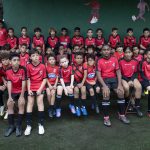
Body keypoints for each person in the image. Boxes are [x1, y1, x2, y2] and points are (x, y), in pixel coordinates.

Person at [97, 45, 130, 127]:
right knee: (106, 94)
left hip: (114, 79)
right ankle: (106, 117)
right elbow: (98, 75)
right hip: (104, 80)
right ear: (101, 51)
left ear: (110, 50)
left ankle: (122, 115)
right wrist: (104, 86)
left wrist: (119, 85)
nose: (106, 51)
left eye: (108, 49)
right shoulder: (99, 60)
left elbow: (118, 72)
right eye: (104, 50)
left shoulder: (114, 59)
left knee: (120, 93)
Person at [24, 49, 47, 136]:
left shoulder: (42, 66)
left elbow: (45, 79)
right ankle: (28, 125)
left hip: (40, 86)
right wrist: (29, 89)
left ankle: (41, 124)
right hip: (31, 86)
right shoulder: (28, 66)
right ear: (30, 57)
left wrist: (40, 89)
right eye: (33, 56)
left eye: (36, 55)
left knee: (40, 102)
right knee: (30, 103)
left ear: (39, 56)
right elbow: (28, 79)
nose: (35, 57)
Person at [4, 53, 26, 137]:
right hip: (12, 90)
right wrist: (9, 97)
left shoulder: (23, 69)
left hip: (22, 90)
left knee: (21, 104)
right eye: (14, 60)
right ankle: (11, 126)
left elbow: (24, 83)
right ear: (10, 62)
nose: (16, 62)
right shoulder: (8, 70)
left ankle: (19, 126)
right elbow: (9, 83)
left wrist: (21, 96)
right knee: (10, 104)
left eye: (18, 60)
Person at [119, 47, 143, 117]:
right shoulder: (120, 61)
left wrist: (131, 80)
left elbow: (135, 73)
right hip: (123, 78)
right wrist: (128, 81)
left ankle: (137, 107)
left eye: (129, 52)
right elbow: (120, 74)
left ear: (132, 53)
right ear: (124, 53)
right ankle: (127, 103)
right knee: (126, 87)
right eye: (126, 52)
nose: (128, 54)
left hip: (132, 77)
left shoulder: (135, 61)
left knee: (139, 87)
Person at [73, 52, 87, 116]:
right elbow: (72, 76)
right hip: (74, 81)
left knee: (83, 91)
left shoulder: (84, 65)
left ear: (83, 59)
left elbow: (85, 75)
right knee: (76, 91)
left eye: (81, 58)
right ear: (75, 59)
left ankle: (83, 107)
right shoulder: (72, 65)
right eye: (77, 58)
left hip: (82, 81)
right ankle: (77, 107)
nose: (79, 59)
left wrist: (82, 83)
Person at [46, 54, 59, 118]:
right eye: (50, 59)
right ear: (48, 61)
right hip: (48, 84)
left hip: (54, 84)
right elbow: (45, 78)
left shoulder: (57, 68)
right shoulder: (46, 68)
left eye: (53, 59)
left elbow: (57, 77)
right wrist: (49, 85)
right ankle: (51, 107)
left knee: (53, 93)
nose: (51, 61)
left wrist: (55, 85)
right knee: (48, 94)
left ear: (55, 60)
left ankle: (51, 109)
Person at [140, 48, 150, 117]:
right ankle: (149, 111)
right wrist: (148, 80)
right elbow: (142, 74)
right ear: (146, 55)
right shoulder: (142, 62)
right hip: (143, 80)